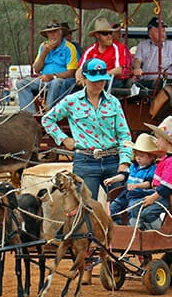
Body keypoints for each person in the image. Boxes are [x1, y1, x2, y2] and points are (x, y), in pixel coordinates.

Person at [42, 57, 132, 284]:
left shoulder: (113, 103)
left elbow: (124, 135)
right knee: (83, 212)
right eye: (94, 80)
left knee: (122, 208)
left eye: (102, 79)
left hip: (112, 160)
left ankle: (118, 257)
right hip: (85, 160)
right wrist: (64, 140)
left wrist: (124, 163)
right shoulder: (72, 101)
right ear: (84, 78)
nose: (98, 84)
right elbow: (48, 119)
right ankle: (87, 265)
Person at [138, 115, 172, 231]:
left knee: (148, 214)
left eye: (158, 138)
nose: (156, 141)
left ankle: (163, 234)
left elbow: (167, 187)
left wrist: (153, 197)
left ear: (167, 140)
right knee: (139, 209)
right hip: (162, 194)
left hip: (168, 196)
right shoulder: (168, 159)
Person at [17, 20, 79, 112]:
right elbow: (37, 69)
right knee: (21, 83)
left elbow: (71, 72)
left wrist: (52, 76)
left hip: (60, 81)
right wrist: (44, 53)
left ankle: (49, 113)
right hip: (43, 80)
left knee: (56, 82)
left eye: (55, 32)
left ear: (61, 33)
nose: (52, 35)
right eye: (50, 33)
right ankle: (29, 115)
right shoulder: (43, 46)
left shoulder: (69, 48)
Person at [105, 134, 160, 226]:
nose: (138, 158)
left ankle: (135, 227)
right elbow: (124, 175)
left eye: (141, 156)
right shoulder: (133, 166)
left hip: (140, 195)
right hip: (127, 193)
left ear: (152, 157)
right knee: (114, 206)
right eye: (136, 155)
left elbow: (149, 183)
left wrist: (137, 185)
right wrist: (113, 179)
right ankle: (116, 225)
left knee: (133, 208)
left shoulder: (152, 169)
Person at [131, 17, 172, 87]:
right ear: (150, 34)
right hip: (144, 82)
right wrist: (137, 69)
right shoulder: (143, 45)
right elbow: (137, 60)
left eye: (163, 31)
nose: (162, 34)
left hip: (164, 84)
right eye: (158, 31)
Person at [76, 17, 131, 89]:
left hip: (112, 79)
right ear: (97, 35)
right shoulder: (90, 50)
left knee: (98, 84)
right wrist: (78, 78)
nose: (109, 36)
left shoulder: (117, 47)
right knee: (67, 83)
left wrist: (98, 76)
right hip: (91, 79)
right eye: (105, 33)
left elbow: (119, 70)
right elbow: (80, 69)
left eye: (110, 33)